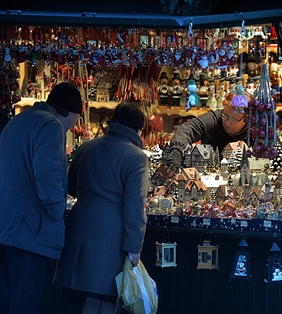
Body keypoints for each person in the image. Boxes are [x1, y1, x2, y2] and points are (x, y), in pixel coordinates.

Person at [54, 102, 149, 314]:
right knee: (108, 299)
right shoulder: (136, 157)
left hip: (79, 227)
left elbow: (71, 187)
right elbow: (134, 207)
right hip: (111, 235)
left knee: (90, 297)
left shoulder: (87, 147)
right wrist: (134, 247)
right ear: (138, 128)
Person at [0, 82, 83, 314]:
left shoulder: (19, 121)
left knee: (8, 300)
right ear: (68, 111)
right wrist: (57, 212)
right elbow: (47, 176)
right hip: (29, 230)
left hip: (7, 226)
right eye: (76, 118)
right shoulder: (51, 126)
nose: (72, 126)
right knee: (25, 303)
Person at [167, 93, 248, 173]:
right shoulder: (214, 119)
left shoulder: (256, 130)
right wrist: (177, 151)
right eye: (225, 116)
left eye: (233, 120)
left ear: (247, 119)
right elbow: (188, 128)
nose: (227, 122)